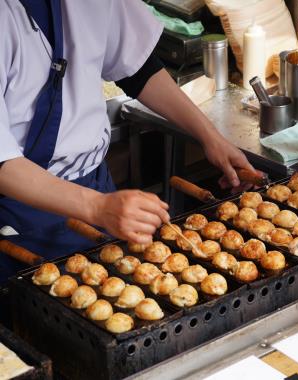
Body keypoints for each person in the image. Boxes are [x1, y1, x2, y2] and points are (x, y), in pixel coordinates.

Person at [0, 0, 256, 267]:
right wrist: (97, 207)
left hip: (95, 185)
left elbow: (137, 69)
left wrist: (211, 137)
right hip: (18, 210)